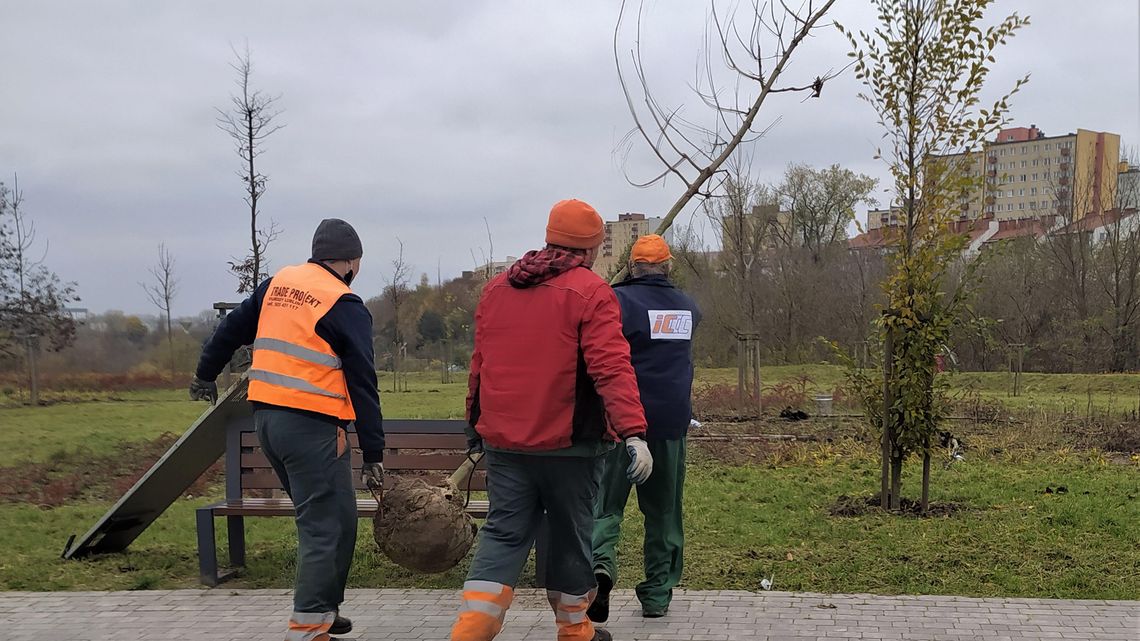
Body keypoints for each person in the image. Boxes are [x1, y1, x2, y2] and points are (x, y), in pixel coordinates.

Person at [451, 199, 653, 641]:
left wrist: (474, 425)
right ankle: (575, 630)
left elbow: (480, 366)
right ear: (591, 249)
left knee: (503, 534)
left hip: (505, 444)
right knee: (570, 534)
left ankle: (470, 631)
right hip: (571, 447)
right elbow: (611, 368)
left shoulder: (497, 289)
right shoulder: (592, 292)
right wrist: (634, 432)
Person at [190, 219, 383, 641]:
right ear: (352, 261)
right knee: (323, 525)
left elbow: (230, 329)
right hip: (312, 427)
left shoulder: (278, 283)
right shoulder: (344, 302)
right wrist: (374, 453)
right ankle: (308, 625)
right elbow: (363, 382)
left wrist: (205, 375)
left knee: (340, 517)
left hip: (268, 423)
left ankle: (325, 609)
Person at [588, 234, 701, 622]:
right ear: (668, 266)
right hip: (670, 424)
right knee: (664, 513)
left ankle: (600, 568)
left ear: (632, 267)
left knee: (606, 507)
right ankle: (656, 595)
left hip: (620, 424)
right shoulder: (689, 308)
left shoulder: (617, 301)